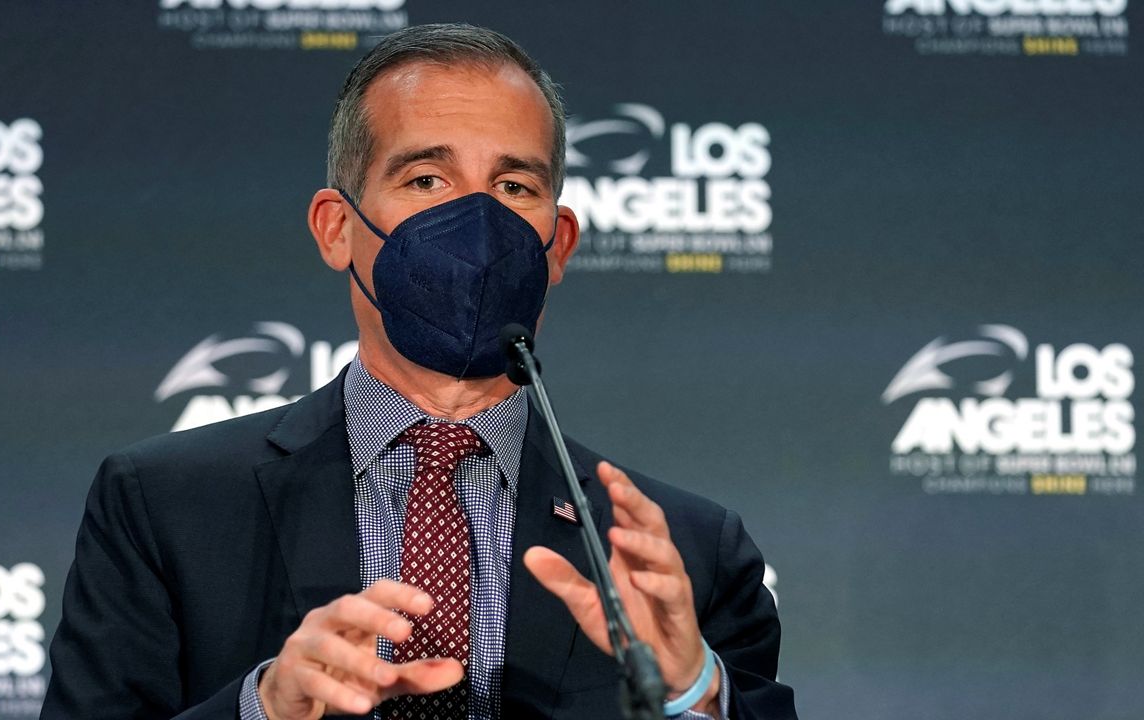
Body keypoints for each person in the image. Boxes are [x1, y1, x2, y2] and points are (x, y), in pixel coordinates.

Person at [41, 23, 797, 720]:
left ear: (558, 244)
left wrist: (693, 693)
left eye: (514, 187)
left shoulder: (687, 554)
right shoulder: (163, 507)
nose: (476, 222)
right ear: (337, 229)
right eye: (426, 180)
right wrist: (264, 708)